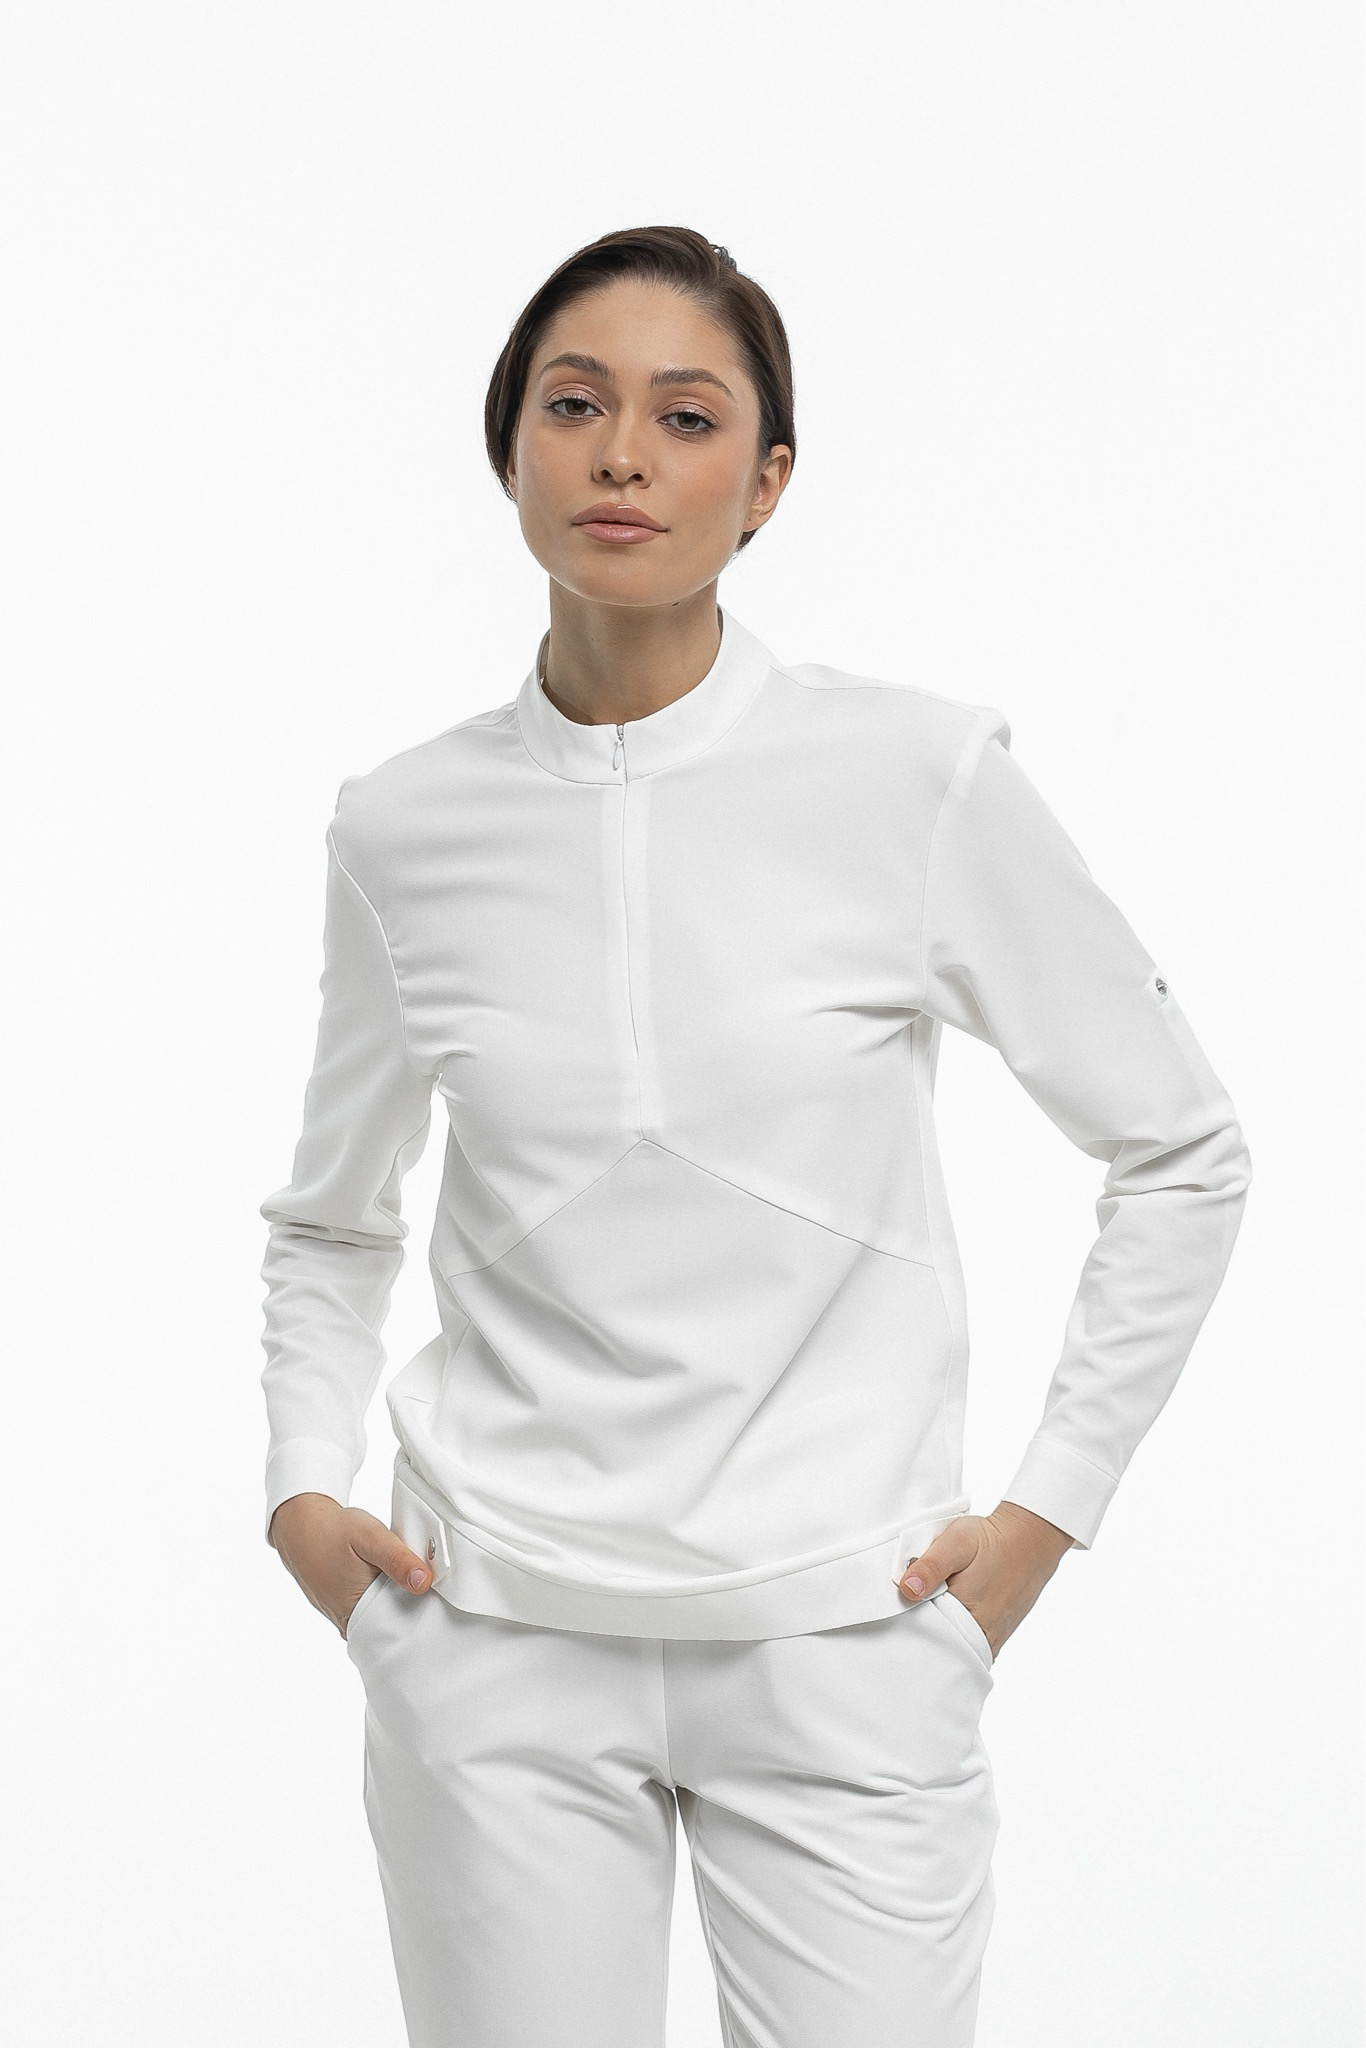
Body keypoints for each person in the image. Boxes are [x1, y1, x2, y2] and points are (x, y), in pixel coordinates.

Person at [258, 225, 1252, 2048]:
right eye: (575, 406)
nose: (623, 456)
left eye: (687, 416)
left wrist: (1044, 1518)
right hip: (492, 1643)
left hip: (845, 1642)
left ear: (767, 480)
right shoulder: (402, 828)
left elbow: (1179, 1150)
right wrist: (302, 1489)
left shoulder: (912, 777)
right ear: (508, 451)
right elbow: (334, 1215)